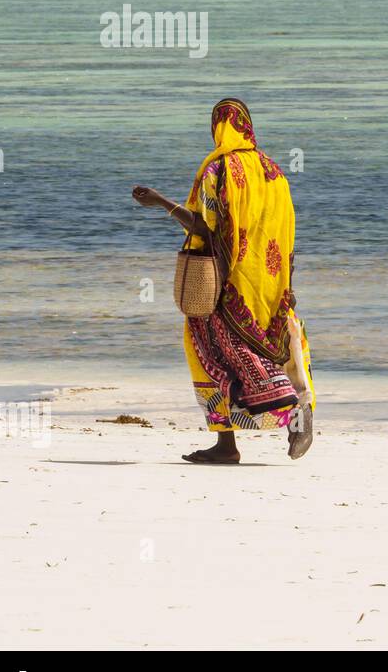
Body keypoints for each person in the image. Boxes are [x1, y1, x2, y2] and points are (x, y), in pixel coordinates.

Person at [132, 97, 315, 463]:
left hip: (225, 280)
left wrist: (161, 203)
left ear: (219, 126)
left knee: (208, 353)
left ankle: (246, 434)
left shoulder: (218, 169)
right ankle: (281, 417)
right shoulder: (273, 172)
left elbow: (205, 226)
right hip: (269, 282)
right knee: (267, 347)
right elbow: (286, 230)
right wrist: (287, 282)